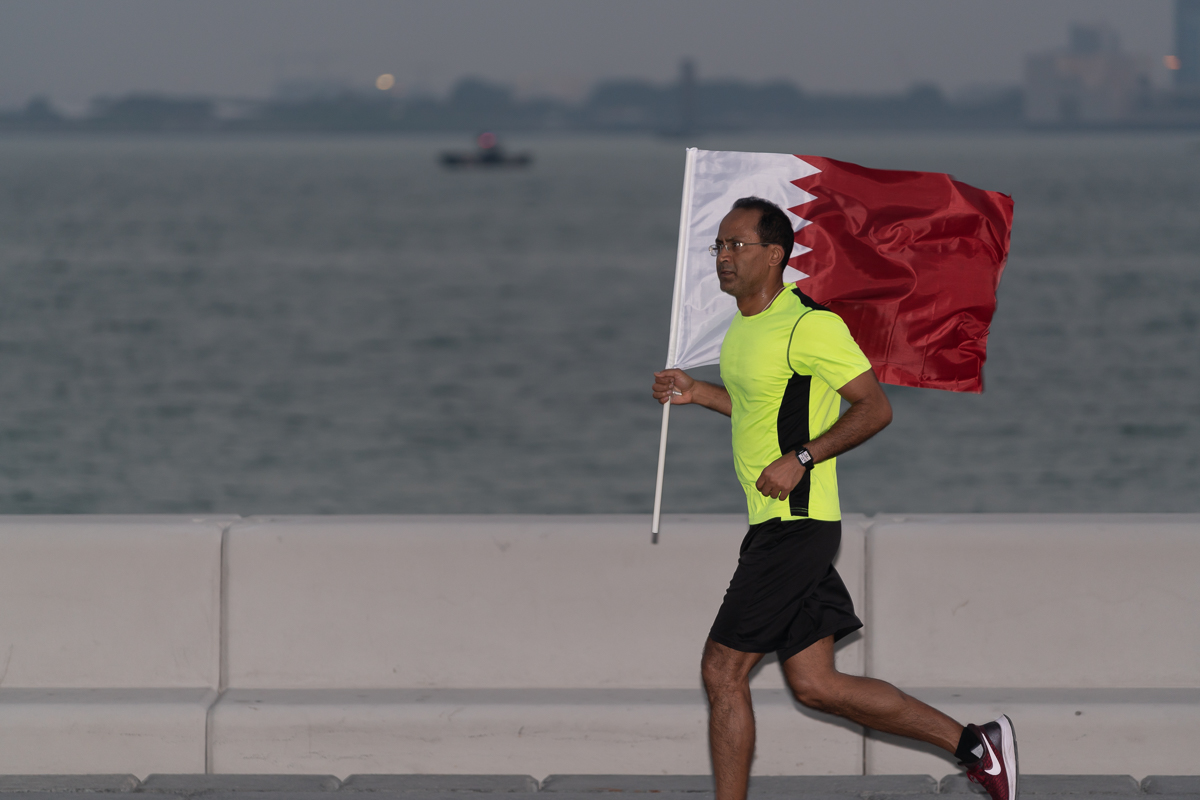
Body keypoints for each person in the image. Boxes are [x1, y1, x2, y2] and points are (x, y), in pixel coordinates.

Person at [651, 197, 1017, 800]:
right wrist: (698, 393)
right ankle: (978, 747)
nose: (722, 257)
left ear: (775, 255)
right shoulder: (744, 326)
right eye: (718, 245)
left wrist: (801, 459)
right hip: (778, 524)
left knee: (722, 670)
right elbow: (758, 409)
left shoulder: (809, 325)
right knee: (819, 685)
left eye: (736, 245)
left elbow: (875, 409)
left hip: (795, 524)